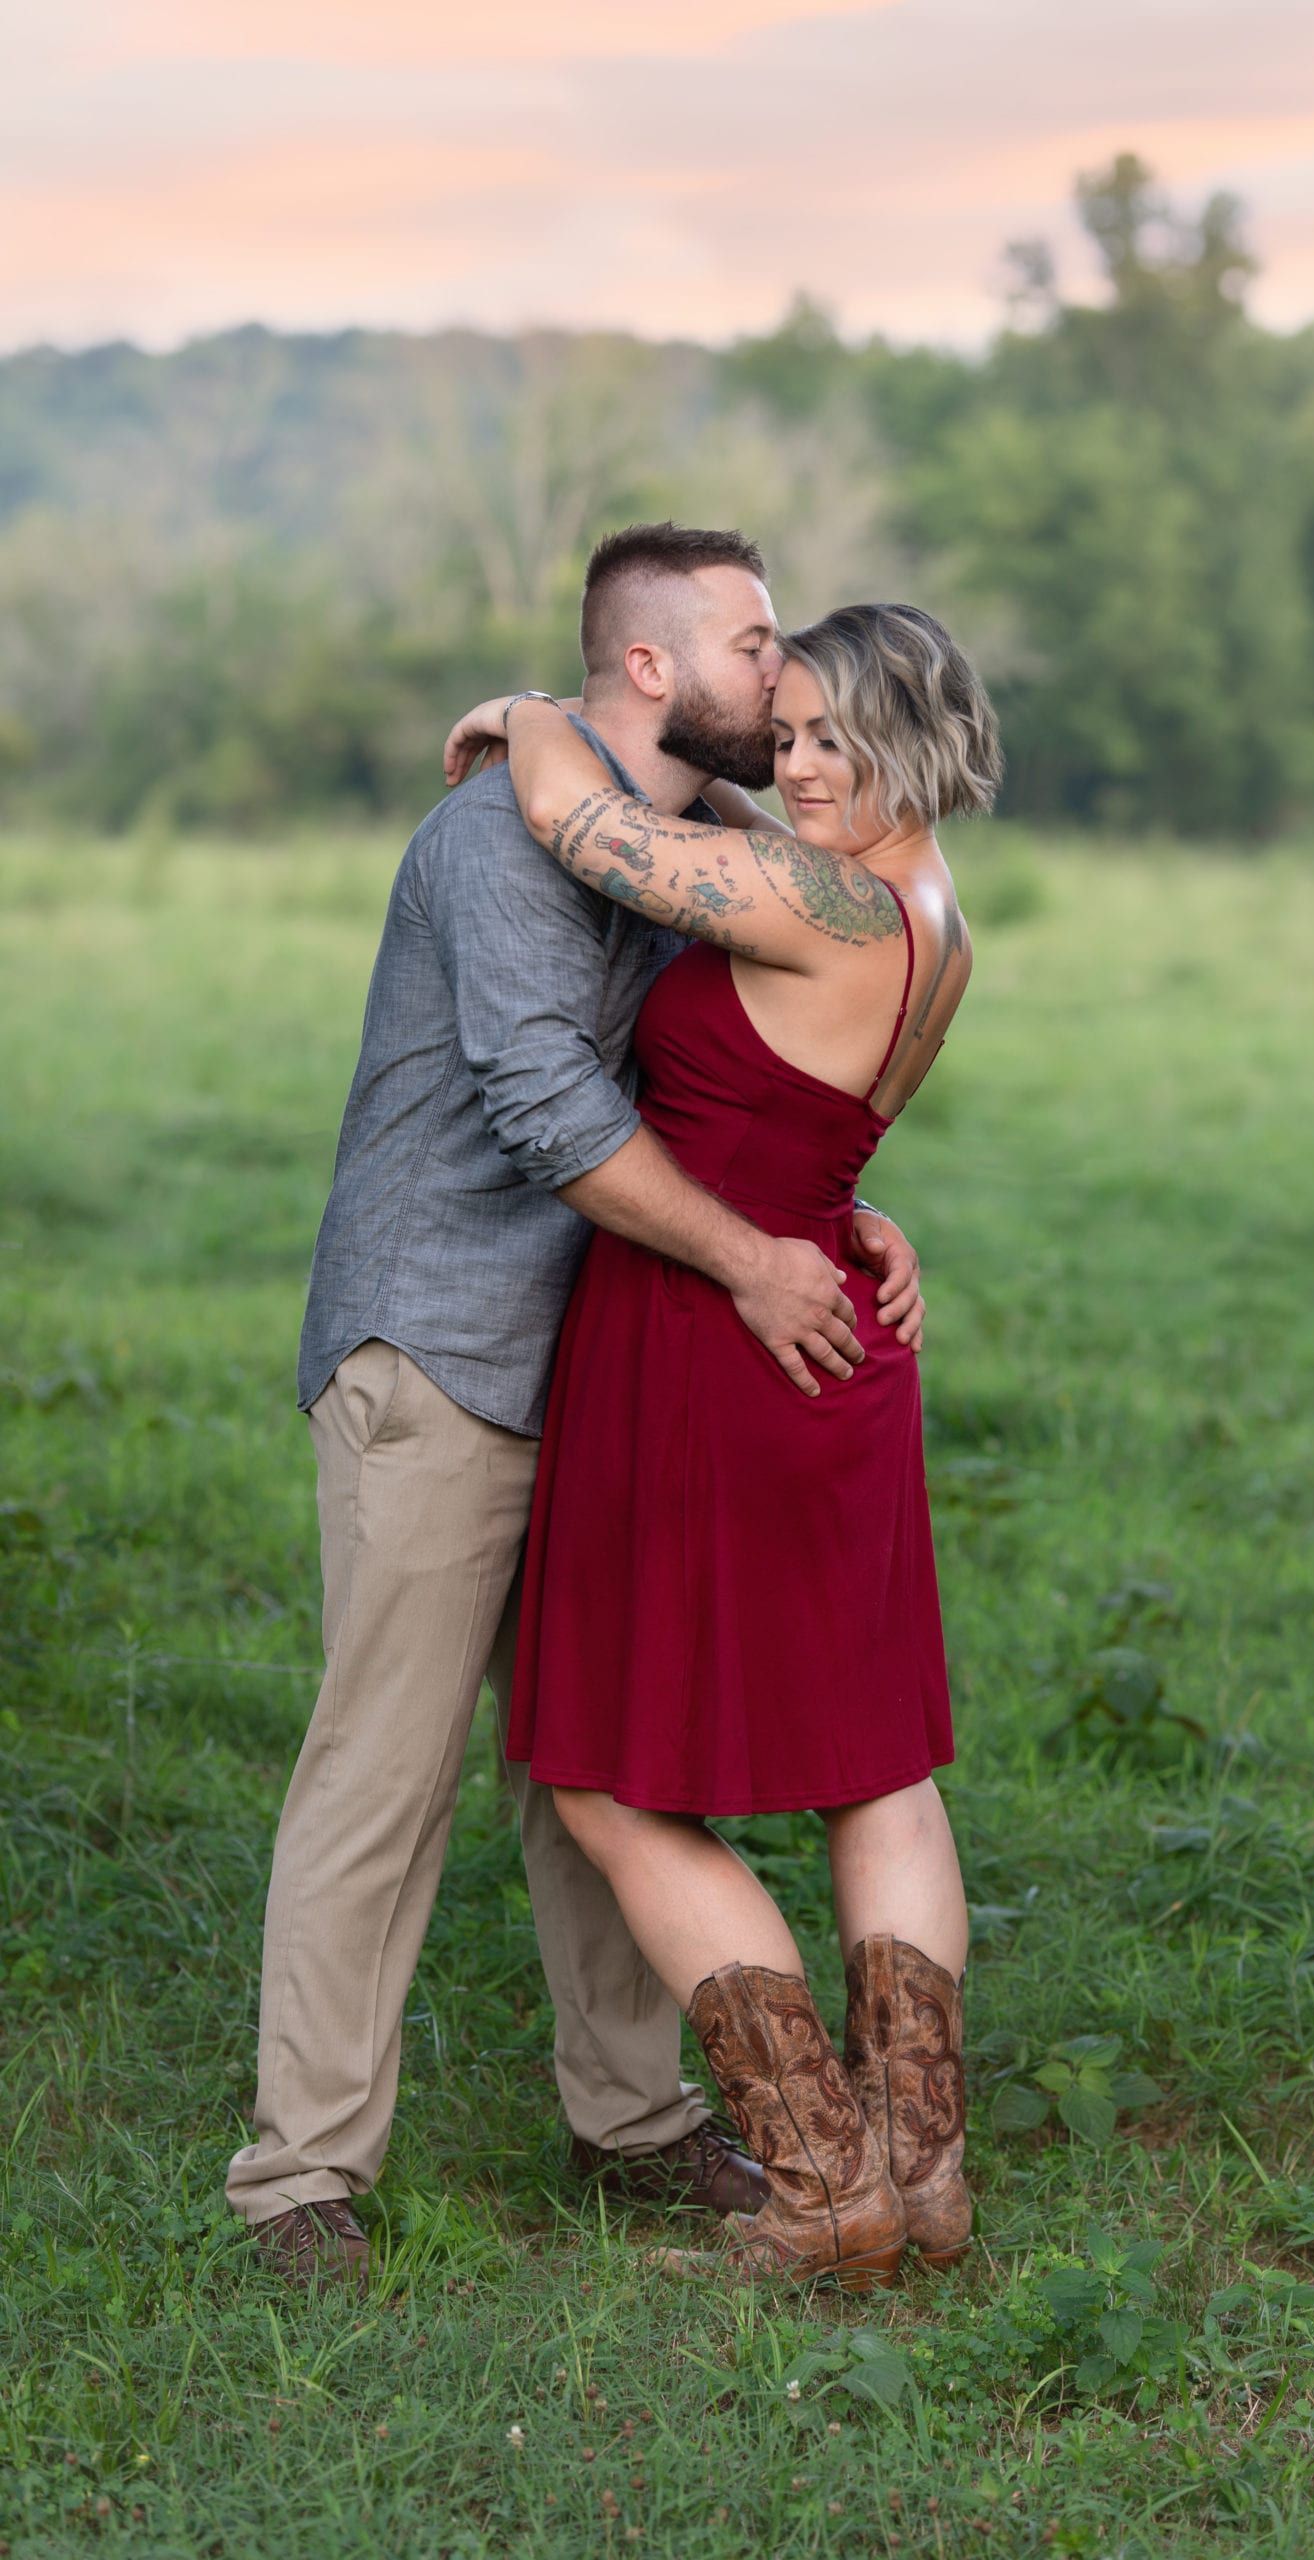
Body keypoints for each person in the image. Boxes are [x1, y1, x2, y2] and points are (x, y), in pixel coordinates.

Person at [227, 524, 926, 2283]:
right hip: (445, 1349)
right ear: (649, 668)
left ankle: (632, 2122)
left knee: (602, 1763)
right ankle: (303, 2174)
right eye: (757, 645)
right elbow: (550, 1109)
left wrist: (837, 1215)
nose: (784, 678)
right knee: (385, 1773)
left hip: (613, 1360)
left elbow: (771, 1048)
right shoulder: (495, 842)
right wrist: (757, 1262)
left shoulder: (692, 841)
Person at [440, 594, 1001, 2287]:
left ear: (921, 739)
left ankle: (825, 2182)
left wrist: (538, 707)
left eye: (841, 736)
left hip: (716, 1335)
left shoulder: (820, 899)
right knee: (873, 1770)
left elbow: (581, 821)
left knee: (608, 1776)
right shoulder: (928, 910)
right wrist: (856, 1208)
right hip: (827, 1317)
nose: (801, 760)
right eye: (798, 726)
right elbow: (799, 1094)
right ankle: (922, 2175)